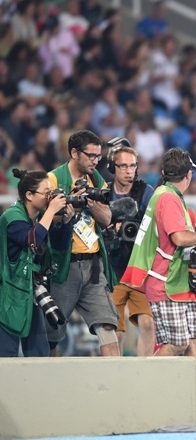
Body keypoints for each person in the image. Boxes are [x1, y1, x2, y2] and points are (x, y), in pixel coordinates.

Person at [120, 148, 196, 419]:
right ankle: (138, 393)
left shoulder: (167, 194)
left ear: (165, 172)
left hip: (182, 283)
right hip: (167, 283)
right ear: (188, 175)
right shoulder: (167, 198)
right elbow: (179, 238)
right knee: (177, 343)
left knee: (195, 342)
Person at [47, 130, 120, 357]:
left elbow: (107, 218)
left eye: (98, 156)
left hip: (94, 265)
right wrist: (67, 205)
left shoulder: (96, 179)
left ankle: (117, 378)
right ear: (74, 153)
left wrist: (89, 203)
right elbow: (44, 221)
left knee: (108, 326)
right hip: (63, 267)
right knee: (51, 334)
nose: (96, 161)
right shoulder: (53, 179)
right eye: (91, 156)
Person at [0, 168, 67, 357]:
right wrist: (51, 210)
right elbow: (32, 240)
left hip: (30, 290)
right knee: (6, 354)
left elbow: (60, 246)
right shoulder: (12, 216)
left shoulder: (39, 217)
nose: (51, 198)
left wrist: (66, 221)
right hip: (8, 293)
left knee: (39, 353)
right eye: (47, 193)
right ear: (29, 195)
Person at [106, 140, 155, 355]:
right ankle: (114, 373)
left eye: (133, 166)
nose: (129, 171)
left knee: (147, 324)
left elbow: (155, 227)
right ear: (113, 168)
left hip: (139, 269)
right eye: (123, 166)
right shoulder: (104, 193)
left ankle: (145, 372)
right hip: (112, 269)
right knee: (115, 332)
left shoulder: (145, 192)